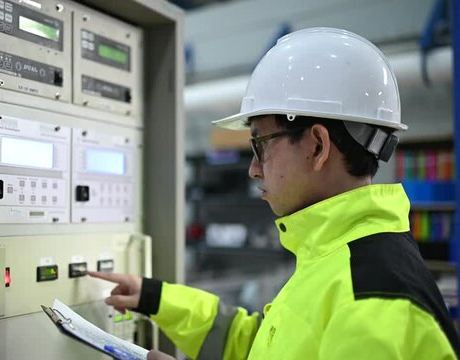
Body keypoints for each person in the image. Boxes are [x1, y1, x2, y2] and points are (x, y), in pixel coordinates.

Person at [89, 28, 460, 359]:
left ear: (317, 146)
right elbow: (258, 346)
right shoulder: (337, 259)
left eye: (260, 145)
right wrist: (156, 298)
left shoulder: (372, 302)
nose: (253, 168)